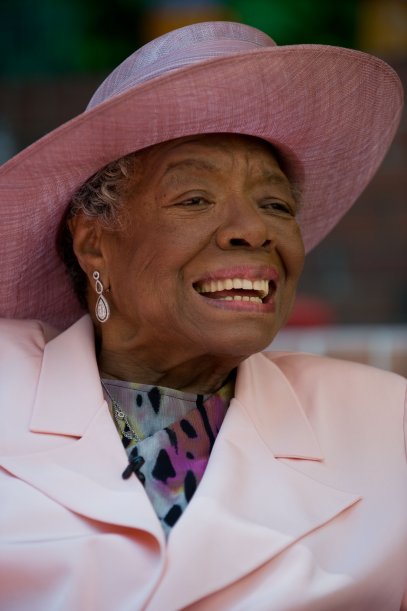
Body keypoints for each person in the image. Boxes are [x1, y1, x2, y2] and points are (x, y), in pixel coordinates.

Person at [0, 20, 406, 611]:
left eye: (276, 204)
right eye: (194, 199)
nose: (253, 229)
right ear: (93, 242)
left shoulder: (386, 424)